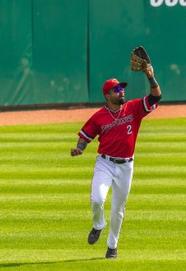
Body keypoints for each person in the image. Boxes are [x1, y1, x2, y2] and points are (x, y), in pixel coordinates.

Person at [70, 65, 162, 259]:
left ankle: (112, 246)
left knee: (118, 209)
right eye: (117, 89)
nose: (122, 91)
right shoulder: (98, 117)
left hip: (126, 166)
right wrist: (80, 148)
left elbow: (156, 97)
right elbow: (85, 136)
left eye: (122, 88)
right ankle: (98, 225)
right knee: (97, 199)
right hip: (105, 164)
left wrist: (150, 77)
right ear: (107, 95)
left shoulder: (134, 107)